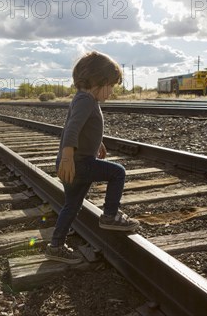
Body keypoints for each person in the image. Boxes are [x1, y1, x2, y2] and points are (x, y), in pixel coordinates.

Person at [45, 51, 140, 264]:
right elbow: (71, 129)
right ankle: (110, 215)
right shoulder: (86, 101)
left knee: (72, 206)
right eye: (111, 86)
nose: (112, 92)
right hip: (77, 164)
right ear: (99, 81)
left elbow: (84, 128)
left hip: (73, 163)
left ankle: (56, 246)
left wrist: (98, 143)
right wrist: (68, 157)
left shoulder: (83, 99)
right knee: (118, 173)